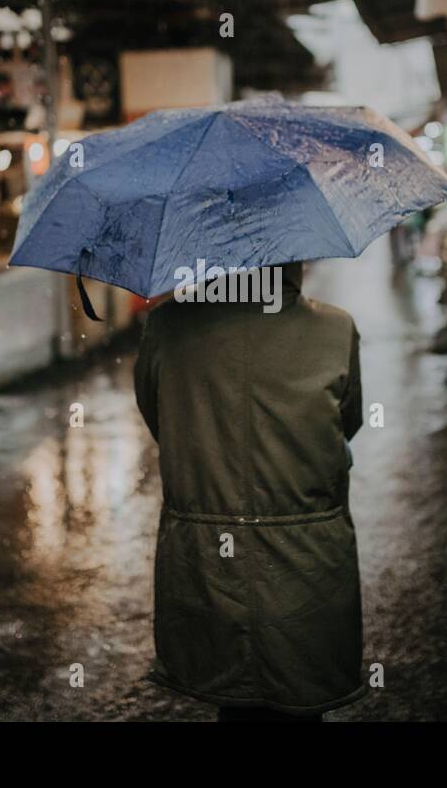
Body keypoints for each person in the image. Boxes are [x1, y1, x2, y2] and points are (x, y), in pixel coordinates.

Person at [133, 261, 366, 721]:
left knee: (234, 705)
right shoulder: (335, 329)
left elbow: (162, 419)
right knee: (302, 703)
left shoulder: (166, 325)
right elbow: (348, 421)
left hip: (207, 562)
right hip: (307, 562)